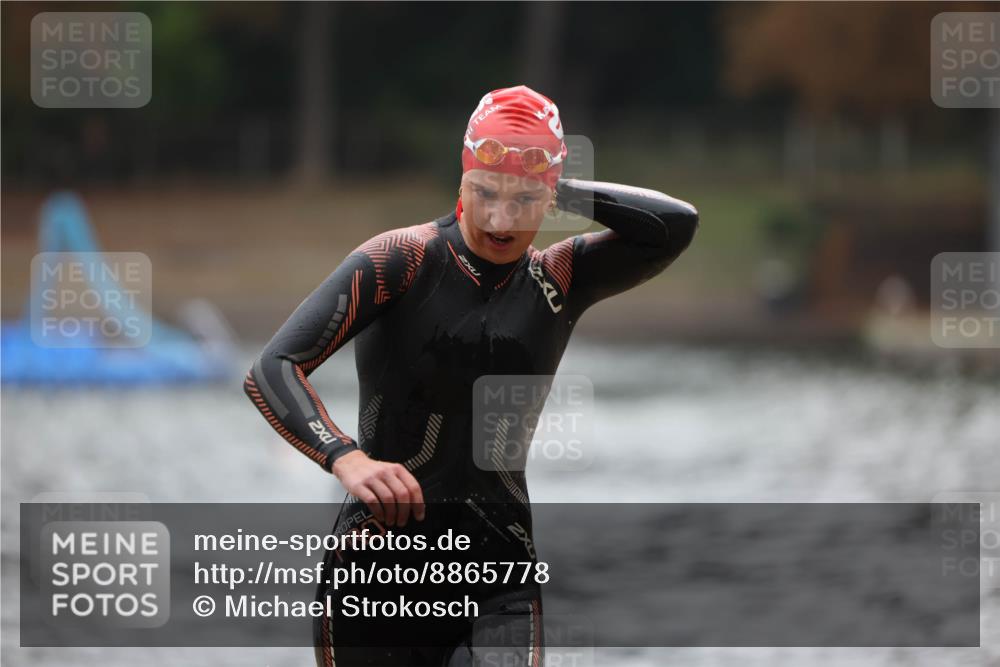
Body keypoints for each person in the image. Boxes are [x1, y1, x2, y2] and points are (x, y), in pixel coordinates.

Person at [244, 85, 699, 667]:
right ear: (462, 183)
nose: (501, 219)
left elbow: (674, 224)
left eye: (525, 200)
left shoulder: (560, 277)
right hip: (376, 577)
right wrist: (346, 458)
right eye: (485, 192)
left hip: (500, 573)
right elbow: (271, 368)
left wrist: (549, 183)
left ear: (551, 199)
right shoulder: (402, 260)